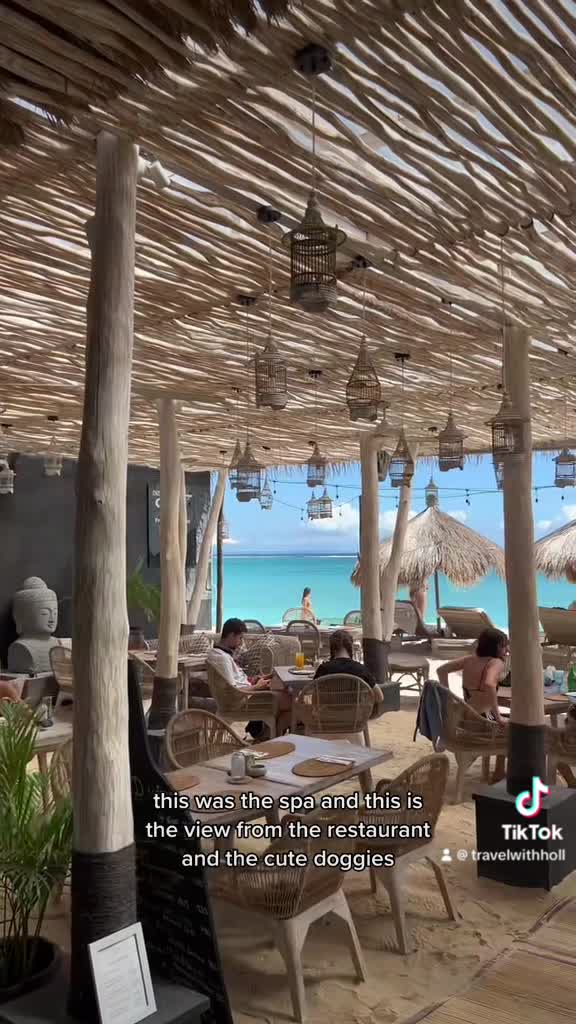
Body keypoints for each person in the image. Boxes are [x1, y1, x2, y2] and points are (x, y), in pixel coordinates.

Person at [206, 618, 288, 739]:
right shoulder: (222, 659)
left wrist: (254, 680)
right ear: (231, 635)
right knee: (287, 699)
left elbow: (235, 682)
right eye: (240, 638)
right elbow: (234, 690)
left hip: (243, 696)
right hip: (241, 702)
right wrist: (257, 687)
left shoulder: (218, 654)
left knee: (282, 691)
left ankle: (264, 734)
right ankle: (268, 735)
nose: (240, 643)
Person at [436, 628, 508, 724]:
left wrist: (448, 698)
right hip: (483, 719)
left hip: (464, 715)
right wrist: (498, 717)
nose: (507, 649)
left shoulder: (469, 659)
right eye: (504, 646)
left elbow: (441, 670)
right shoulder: (496, 663)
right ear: (496, 647)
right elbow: (489, 684)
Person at [314, 629, 384, 717]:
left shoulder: (324, 669)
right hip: (355, 718)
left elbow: (314, 698)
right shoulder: (360, 669)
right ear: (350, 647)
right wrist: (365, 701)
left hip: (328, 717)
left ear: (332, 648)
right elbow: (380, 697)